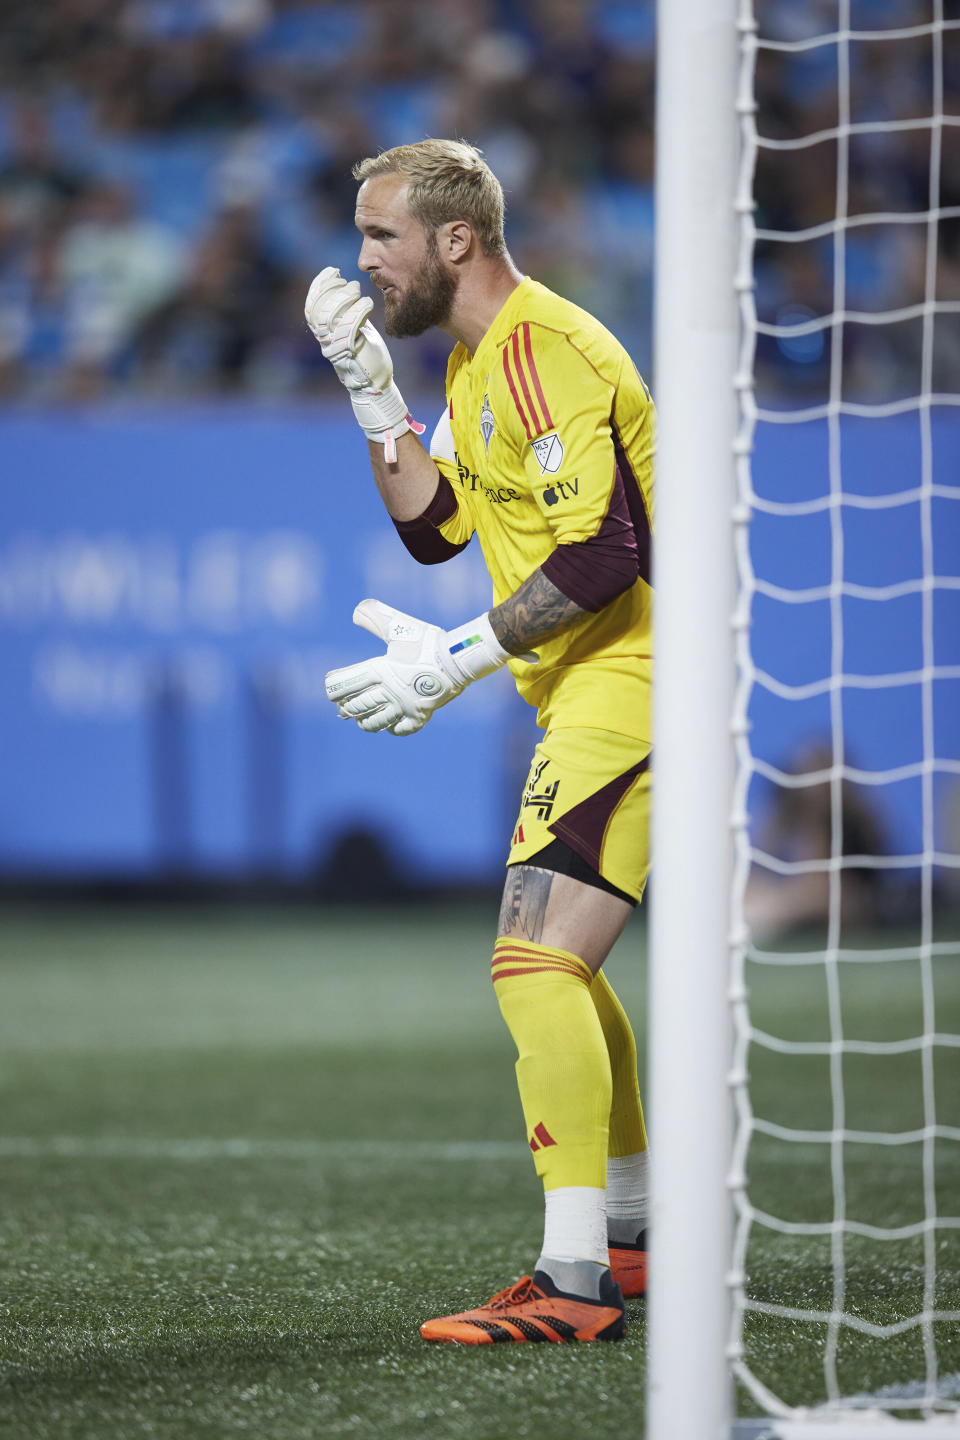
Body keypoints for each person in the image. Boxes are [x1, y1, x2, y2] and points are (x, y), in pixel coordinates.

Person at [305, 139, 654, 1345]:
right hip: (591, 688)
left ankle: (573, 1285)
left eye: (380, 236)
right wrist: (367, 392)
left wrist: (455, 662)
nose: (363, 263)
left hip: (639, 675)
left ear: (456, 240)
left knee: (529, 960)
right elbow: (437, 530)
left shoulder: (548, 349)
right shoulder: (477, 359)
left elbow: (609, 557)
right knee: (563, 962)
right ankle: (634, 1238)